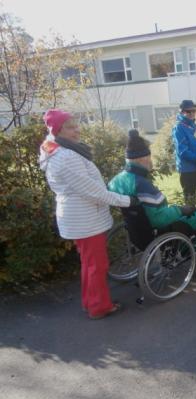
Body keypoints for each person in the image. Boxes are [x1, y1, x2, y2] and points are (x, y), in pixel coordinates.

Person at [39, 109, 135, 320]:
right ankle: (100, 307)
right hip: (85, 218)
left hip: (79, 217)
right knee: (97, 265)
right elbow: (93, 192)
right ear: (58, 131)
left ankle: (90, 301)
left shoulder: (58, 150)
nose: (77, 130)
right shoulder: (65, 157)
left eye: (76, 125)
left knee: (89, 263)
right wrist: (127, 201)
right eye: (71, 127)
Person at [108, 130, 196, 238]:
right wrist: (180, 210)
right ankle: (195, 251)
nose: (151, 161)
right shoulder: (142, 184)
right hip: (155, 230)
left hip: (135, 231)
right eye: (149, 157)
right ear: (141, 159)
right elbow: (159, 218)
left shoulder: (115, 181)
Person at [171, 99, 196, 206]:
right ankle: (191, 219)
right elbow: (183, 151)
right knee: (190, 197)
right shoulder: (179, 128)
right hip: (187, 170)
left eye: (193, 111)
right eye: (188, 111)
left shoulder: (193, 126)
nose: (192, 113)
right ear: (182, 112)